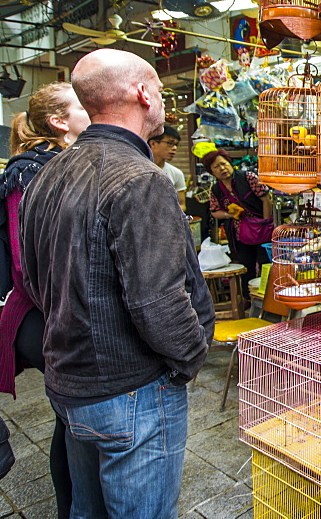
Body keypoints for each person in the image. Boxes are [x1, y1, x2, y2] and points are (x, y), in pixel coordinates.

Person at [18, 49, 215, 519]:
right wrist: (189, 359)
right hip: (131, 392)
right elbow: (158, 302)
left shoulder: (46, 174)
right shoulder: (139, 178)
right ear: (143, 94)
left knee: (87, 511)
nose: (164, 100)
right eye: (161, 90)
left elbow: (34, 275)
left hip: (71, 384)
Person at [0, 82, 90, 518]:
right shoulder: (28, 173)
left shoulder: (64, 164)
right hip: (40, 317)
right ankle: (72, 508)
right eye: (81, 105)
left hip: (61, 312)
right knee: (71, 420)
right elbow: (27, 265)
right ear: (59, 121)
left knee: (71, 420)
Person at [204, 149, 273, 300]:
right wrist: (230, 215)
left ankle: (268, 299)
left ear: (230, 163)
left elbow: (266, 199)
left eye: (224, 164)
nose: (222, 168)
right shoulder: (216, 189)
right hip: (239, 233)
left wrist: (265, 222)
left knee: (265, 263)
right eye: (216, 167)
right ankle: (248, 299)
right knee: (245, 265)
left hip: (262, 230)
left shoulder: (248, 177)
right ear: (211, 172)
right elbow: (215, 211)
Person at [148, 125, 186, 211]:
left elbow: (182, 204)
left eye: (176, 145)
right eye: (170, 143)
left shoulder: (177, 173)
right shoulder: (138, 169)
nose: (174, 148)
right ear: (153, 143)